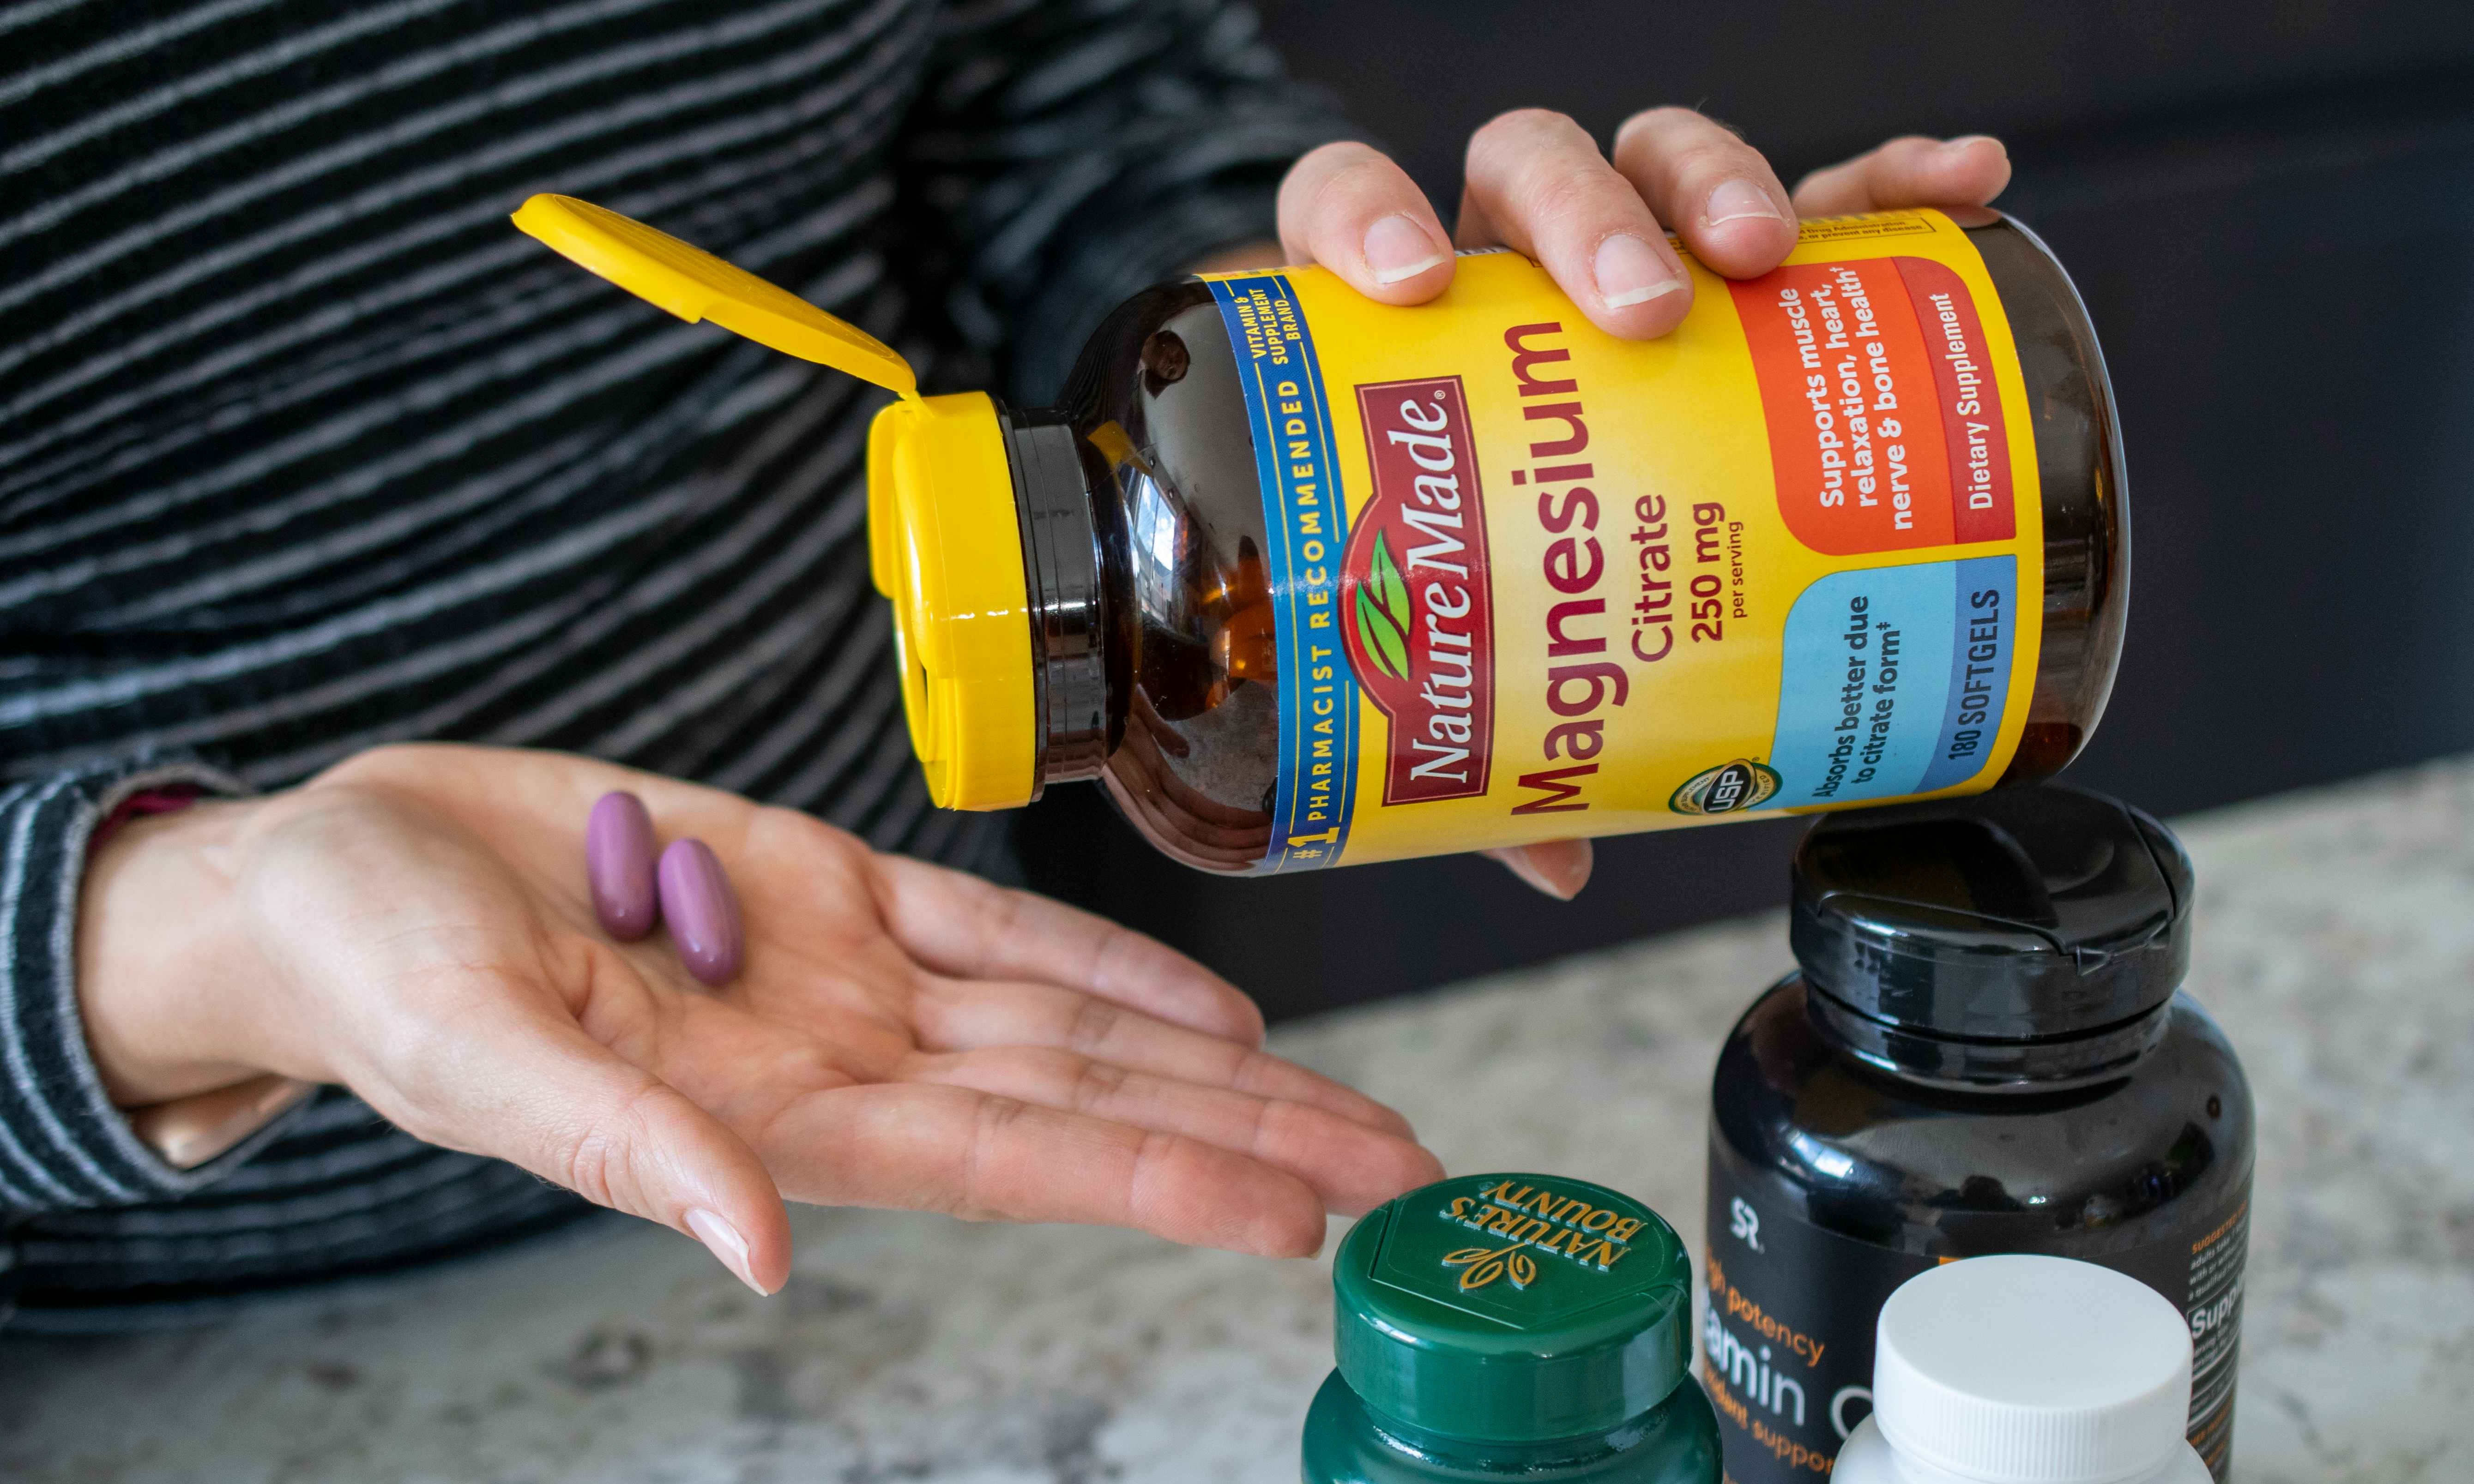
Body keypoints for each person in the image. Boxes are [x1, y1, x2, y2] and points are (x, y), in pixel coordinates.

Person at [1, 0, 2012, 1328]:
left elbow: (1049, 85)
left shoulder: (1191, 730)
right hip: (176, 1389)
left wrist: (1406, 375)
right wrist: (185, 937)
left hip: (945, 1151)